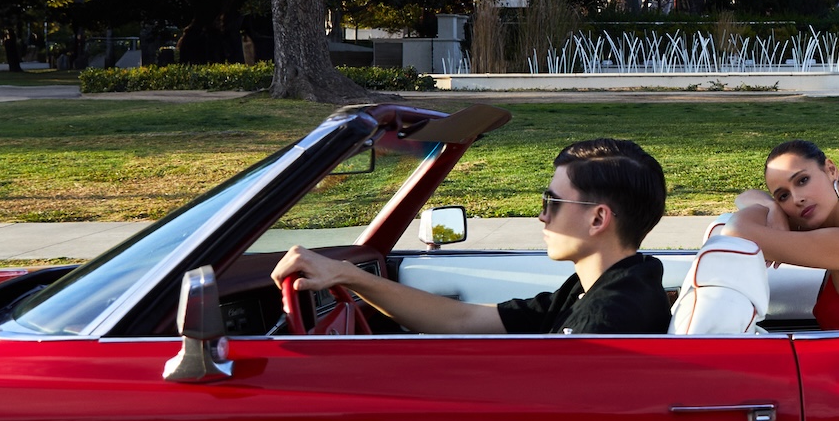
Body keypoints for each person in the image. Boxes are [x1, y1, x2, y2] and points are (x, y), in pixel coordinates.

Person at [271, 138, 670, 335]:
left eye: (552, 201)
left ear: (598, 219)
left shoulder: (609, 317)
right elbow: (466, 319)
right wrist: (350, 276)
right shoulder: (603, 285)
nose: (541, 215)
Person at [721, 139, 839, 328]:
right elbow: (745, 197)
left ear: (831, 170)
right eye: (783, 195)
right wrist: (772, 206)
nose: (797, 199)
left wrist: (771, 207)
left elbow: (735, 231)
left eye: (802, 180)